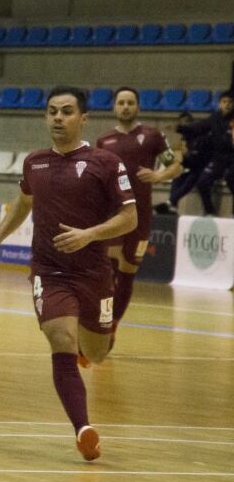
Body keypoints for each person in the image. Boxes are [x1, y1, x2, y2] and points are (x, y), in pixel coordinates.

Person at [0, 86, 137, 462]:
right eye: (52, 112)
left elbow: (129, 218)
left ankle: (87, 348)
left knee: (97, 353)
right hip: (50, 272)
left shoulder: (106, 163)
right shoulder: (34, 163)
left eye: (66, 112)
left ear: (83, 118)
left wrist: (90, 234)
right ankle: (83, 429)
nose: (58, 119)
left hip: (94, 273)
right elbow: (24, 203)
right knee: (60, 337)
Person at [95, 87, 181, 339]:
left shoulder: (152, 136)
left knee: (127, 272)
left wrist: (159, 175)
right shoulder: (104, 141)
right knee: (106, 272)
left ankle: (112, 326)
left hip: (140, 216)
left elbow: (175, 165)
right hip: (112, 214)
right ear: (114, 107)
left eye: (130, 102)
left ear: (138, 106)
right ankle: (101, 323)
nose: (125, 106)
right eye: (121, 102)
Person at [156, 90, 234, 216]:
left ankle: (171, 202)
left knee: (228, 177)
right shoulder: (214, 118)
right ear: (219, 104)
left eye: (230, 102)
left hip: (218, 161)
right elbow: (167, 156)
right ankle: (205, 211)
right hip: (214, 161)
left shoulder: (201, 139)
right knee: (187, 175)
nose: (227, 105)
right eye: (224, 102)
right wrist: (161, 172)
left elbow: (201, 155)